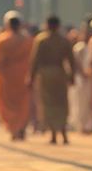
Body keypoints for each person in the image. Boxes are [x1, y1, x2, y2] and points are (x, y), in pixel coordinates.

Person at [29, 15, 75, 145]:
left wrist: (31, 77)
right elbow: (71, 60)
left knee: (49, 104)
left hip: (46, 75)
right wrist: (72, 76)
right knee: (62, 103)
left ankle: (54, 134)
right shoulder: (64, 40)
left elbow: (35, 60)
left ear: (47, 25)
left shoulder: (41, 40)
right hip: (60, 73)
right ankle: (64, 133)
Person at [0, 12, 33, 141]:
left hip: (6, 78)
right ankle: (21, 126)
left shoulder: (2, 40)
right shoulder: (28, 41)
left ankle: (14, 128)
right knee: (22, 103)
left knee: (7, 104)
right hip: (23, 77)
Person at [70, 20, 92, 135]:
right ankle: (82, 125)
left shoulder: (91, 45)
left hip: (90, 77)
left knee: (90, 101)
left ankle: (89, 125)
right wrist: (82, 73)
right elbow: (76, 63)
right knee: (81, 102)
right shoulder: (78, 47)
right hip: (80, 78)